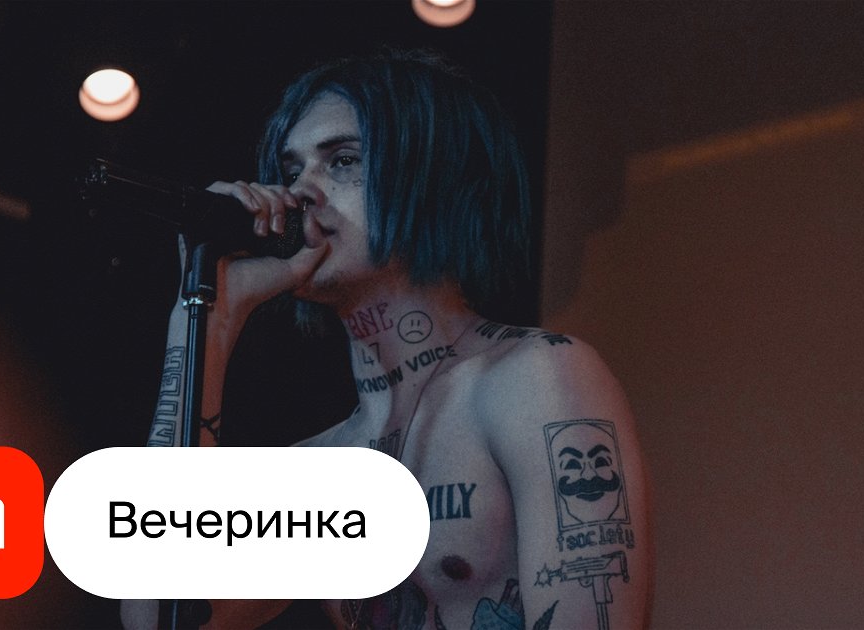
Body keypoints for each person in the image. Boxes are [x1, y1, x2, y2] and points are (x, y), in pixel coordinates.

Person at [122, 49, 649, 630]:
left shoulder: (537, 378)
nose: (300, 193)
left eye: (343, 161)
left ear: (432, 179)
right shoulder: (321, 467)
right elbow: (153, 616)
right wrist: (204, 318)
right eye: (292, 171)